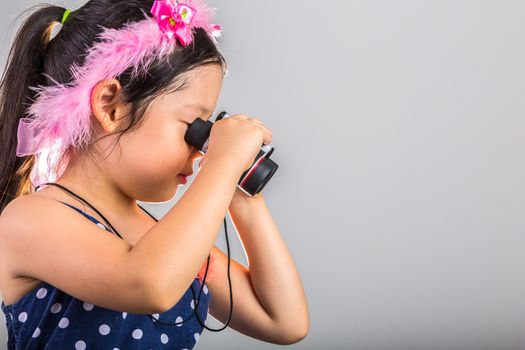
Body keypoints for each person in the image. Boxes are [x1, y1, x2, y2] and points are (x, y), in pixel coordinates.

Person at [0, 0, 309, 348]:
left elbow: (283, 321)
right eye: (193, 126)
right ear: (111, 107)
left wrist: (240, 191)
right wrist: (223, 163)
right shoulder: (28, 220)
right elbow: (150, 284)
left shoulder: (161, 238)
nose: (202, 147)